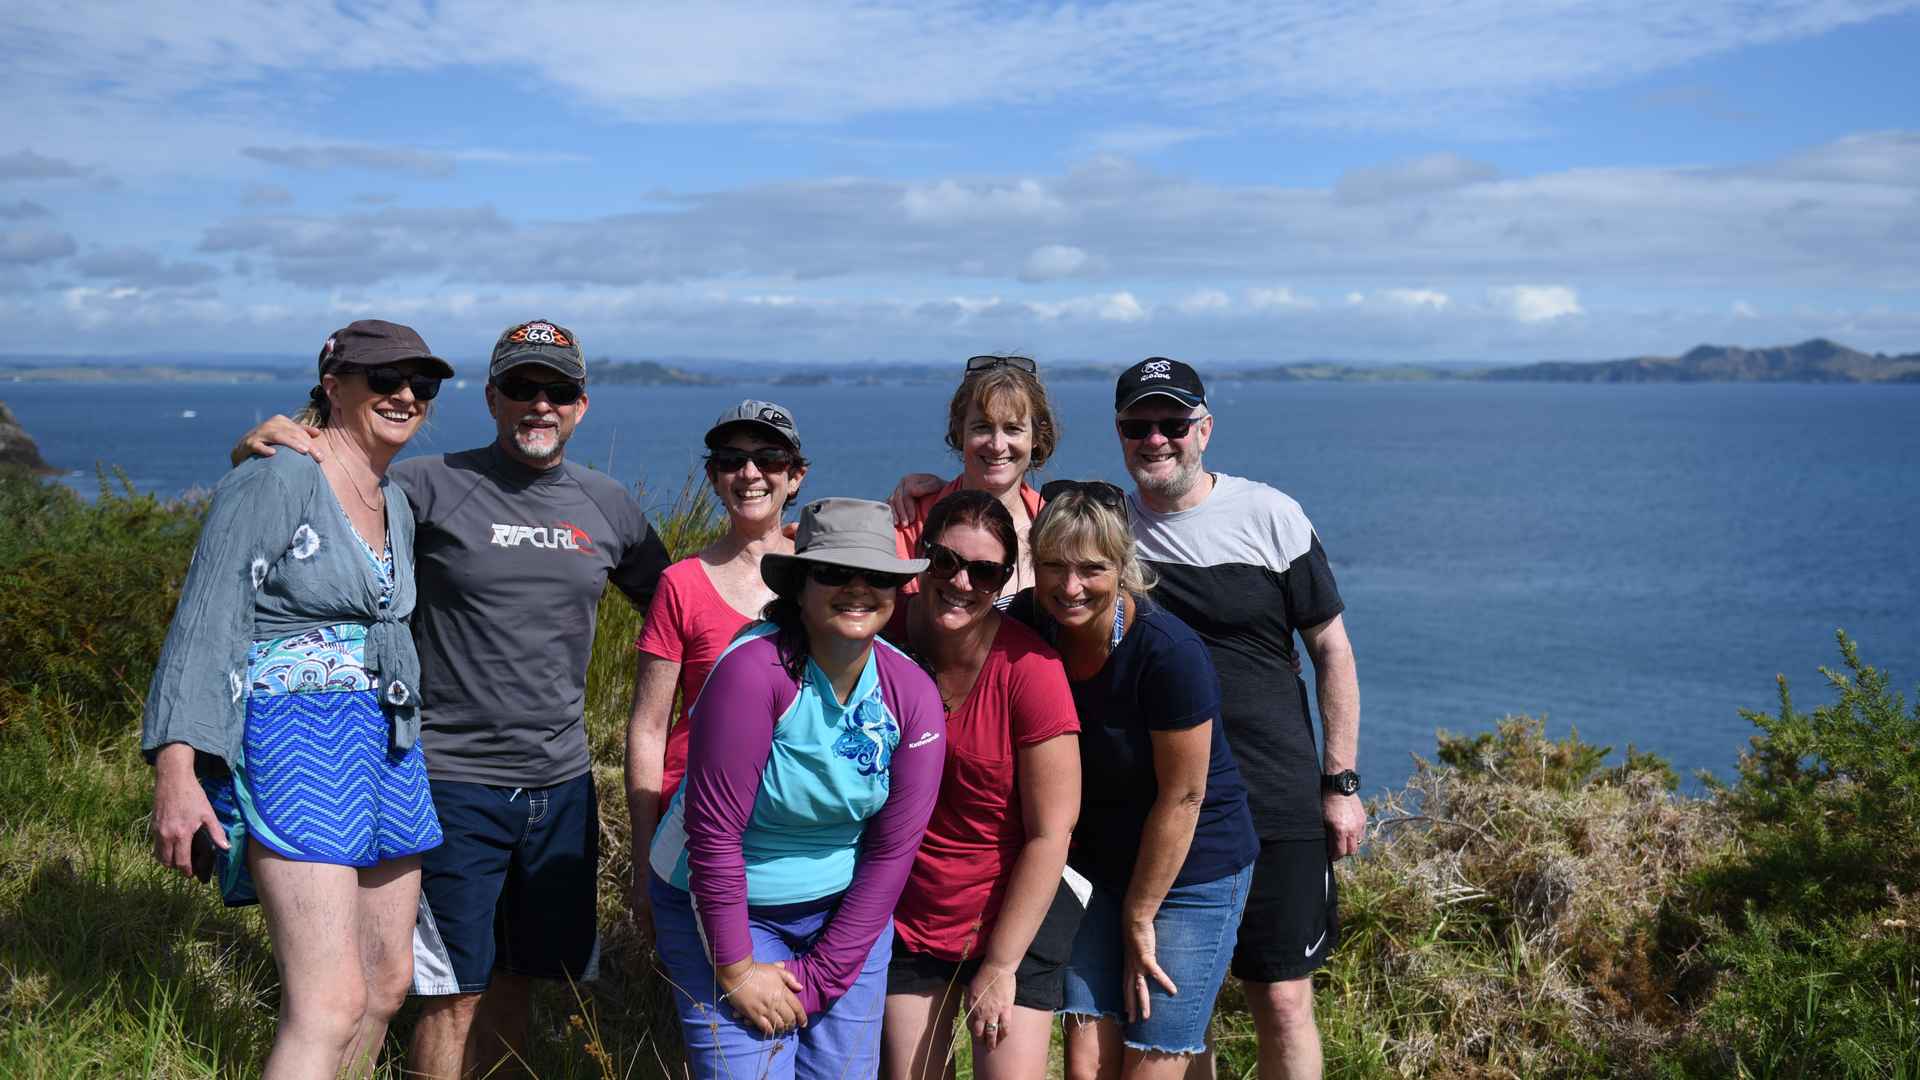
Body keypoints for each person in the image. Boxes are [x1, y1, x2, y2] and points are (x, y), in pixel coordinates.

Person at [230, 319, 672, 1080]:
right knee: (450, 994)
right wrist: (255, 447)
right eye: (523, 389)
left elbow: (682, 610)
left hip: (561, 786)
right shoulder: (426, 484)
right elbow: (324, 491)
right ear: (494, 398)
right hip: (449, 780)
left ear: (581, 406)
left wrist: (779, 559)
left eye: (558, 391)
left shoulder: (610, 506)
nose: (541, 405)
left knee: (523, 980)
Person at [146, 320, 452, 1079]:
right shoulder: (278, 474)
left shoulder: (395, 500)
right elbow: (207, 622)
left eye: (423, 384)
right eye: (384, 379)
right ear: (333, 385)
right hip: (297, 738)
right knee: (328, 1002)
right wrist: (177, 769)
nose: (406, 395)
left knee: (384, 984)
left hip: (387, 741)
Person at [1112, 358, 1363, 1080]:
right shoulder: (1109, 525)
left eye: (1173, 424)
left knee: (1282, 999)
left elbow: (1332, 650)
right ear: (1121, 435)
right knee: (1178, 1003)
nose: (1156, 439)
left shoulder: (1269, 515)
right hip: (1164, 806)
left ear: (1204, 429)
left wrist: (1340, 784)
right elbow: (1002, 513)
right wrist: (920, 494)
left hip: (1275, 797)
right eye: (1139, 426)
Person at [646, 498, 946, 1080]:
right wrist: (735, 971)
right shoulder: (753, 672)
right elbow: (714, 836)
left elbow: (893, 849)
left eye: (877, 576)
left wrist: (823, 978)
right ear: (801, 585)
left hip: (843, 910)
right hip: (720, 903)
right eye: (833, 572)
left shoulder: (911, 693)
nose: (857, 590)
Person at [1010, 482, 1257, 1080]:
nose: (1070, 588)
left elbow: (1185, 793)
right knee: (1086, 1059)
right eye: (1053, 568)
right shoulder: (1029, 623)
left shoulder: (1168, 653)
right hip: (1100, 868)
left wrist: (1140, 916)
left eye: (1091, 569)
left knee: (1154, 1056)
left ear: (1124, 567)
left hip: (1192, 867)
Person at [881, 490, 1082, 1080]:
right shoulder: (880, 633)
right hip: (907, 912)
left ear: (1003, 581)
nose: (961, 582)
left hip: (1013, 910)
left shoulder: (1031, 671)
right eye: (945, 561)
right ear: (920, 556)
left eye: (985, 571)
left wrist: (999, 964)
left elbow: (1052, 832)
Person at [625, 400, 808, 936]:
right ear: (713, 476)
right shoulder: (681, 584)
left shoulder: (822, 578)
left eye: (770, 458)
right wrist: (643, 858)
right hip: (693, 825)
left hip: (797, 831)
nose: (750, 474)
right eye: (732, 460)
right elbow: (649, 726)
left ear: (795, 476)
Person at [893, 355, 1059, 607]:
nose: (997, 445)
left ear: (1037, 436)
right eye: (982, 427)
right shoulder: (910, 521)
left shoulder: (1056, 530)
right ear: (960, 431)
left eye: (1013, 428)